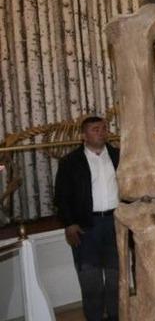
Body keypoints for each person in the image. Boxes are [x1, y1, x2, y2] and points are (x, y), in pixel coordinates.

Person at [54, 116, 120, 321]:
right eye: (95, 129)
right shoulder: (70, 162)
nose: (101, 132)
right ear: (84, 135)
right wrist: (69, 224)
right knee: (90, 281)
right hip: (86, 228)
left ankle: (116, 316)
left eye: (103, 128)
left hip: (115, 224)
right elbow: (61, 197)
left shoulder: (119, 156)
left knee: (115, 278)